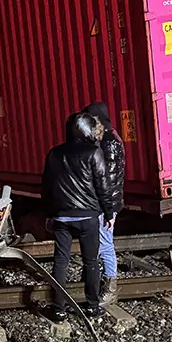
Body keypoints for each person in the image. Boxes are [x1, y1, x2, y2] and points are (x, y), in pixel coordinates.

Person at [41, 112, 113, 321]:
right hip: (88, 217)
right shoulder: (94, 153)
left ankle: (58, 309)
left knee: (60, 262)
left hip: (61, 217)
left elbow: (46, 187)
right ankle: (92, 306)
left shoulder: (54, 153)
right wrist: (109, 213)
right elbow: (103, 186)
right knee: (91, 262)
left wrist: (49, 213)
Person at [83, 101, 125, 305]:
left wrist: (106, 207)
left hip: (104, 203)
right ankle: (105, 284)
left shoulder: (107, 142)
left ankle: (110, 288)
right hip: (105, 202)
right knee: (102, 243)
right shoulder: (110, 139)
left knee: (105, 244)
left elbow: (105, 179)